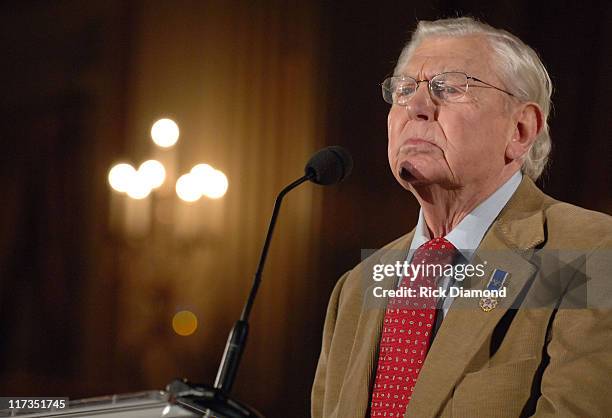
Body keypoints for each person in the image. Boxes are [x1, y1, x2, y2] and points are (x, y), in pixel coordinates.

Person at [311, 17, 612, 418]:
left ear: (521, 130)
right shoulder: (356, 287)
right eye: (404, 90)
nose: (416, 107)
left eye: (449, 87)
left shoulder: (586, 254)